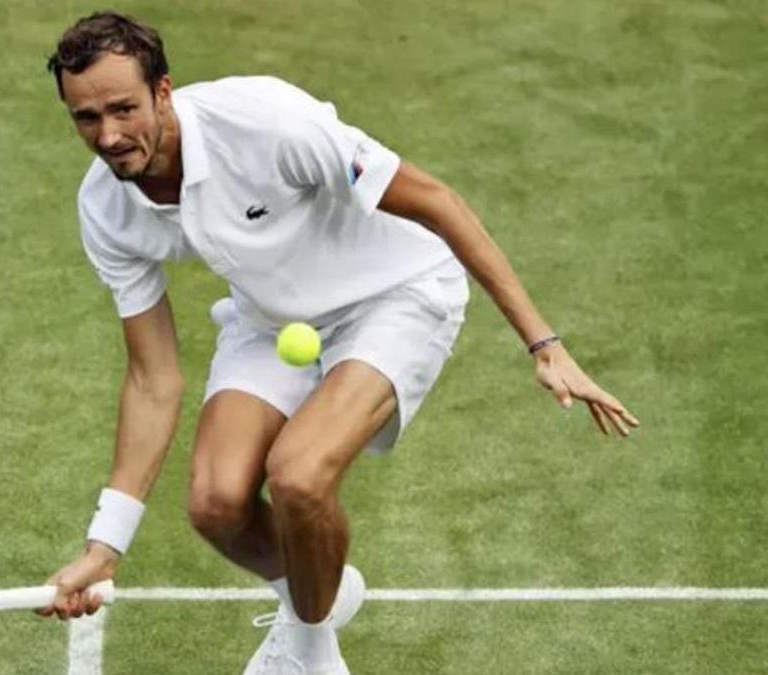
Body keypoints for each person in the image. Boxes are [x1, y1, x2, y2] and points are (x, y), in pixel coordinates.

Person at [36, 11, 640, 674]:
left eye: (123, 108)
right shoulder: (106, 207)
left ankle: (311, 652)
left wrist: (544, 344)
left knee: (298, 473)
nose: (110, 135)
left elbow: (437, 200)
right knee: (215, 503)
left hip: (396, 296)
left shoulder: (267, 123)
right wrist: (106, 543)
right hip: (274, 318)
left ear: (165, 91)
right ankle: (323, 590)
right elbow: (154, 379)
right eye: (86, 118)